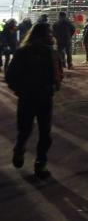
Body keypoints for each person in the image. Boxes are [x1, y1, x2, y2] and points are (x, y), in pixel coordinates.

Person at [5, 22, 63, 179]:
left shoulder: (24, 51)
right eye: (49, 33)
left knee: (27, 129)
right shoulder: (48, 52)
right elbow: (58, 75)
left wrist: (19, 89)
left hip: (30, 96)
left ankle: (22, 149)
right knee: (43, 131)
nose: (52, 36)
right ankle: (39, 162)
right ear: (43, 35)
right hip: (41, 96)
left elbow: (10, 76)